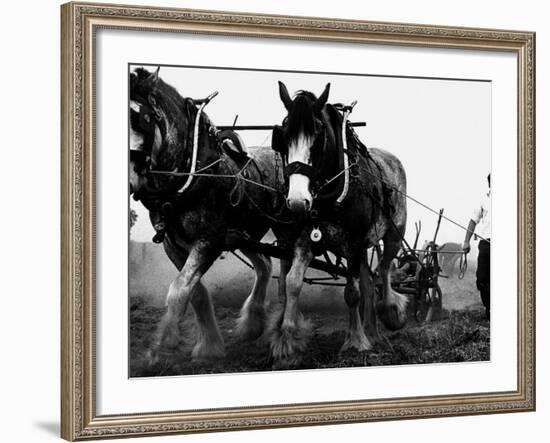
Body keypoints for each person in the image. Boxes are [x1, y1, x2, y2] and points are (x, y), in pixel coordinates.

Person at [463, 174, 491, 319]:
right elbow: (473, 221)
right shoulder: (484, 201)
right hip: (486, 244)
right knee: (482, 279)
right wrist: (466, 241)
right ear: (490, 184)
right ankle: (490, 307)